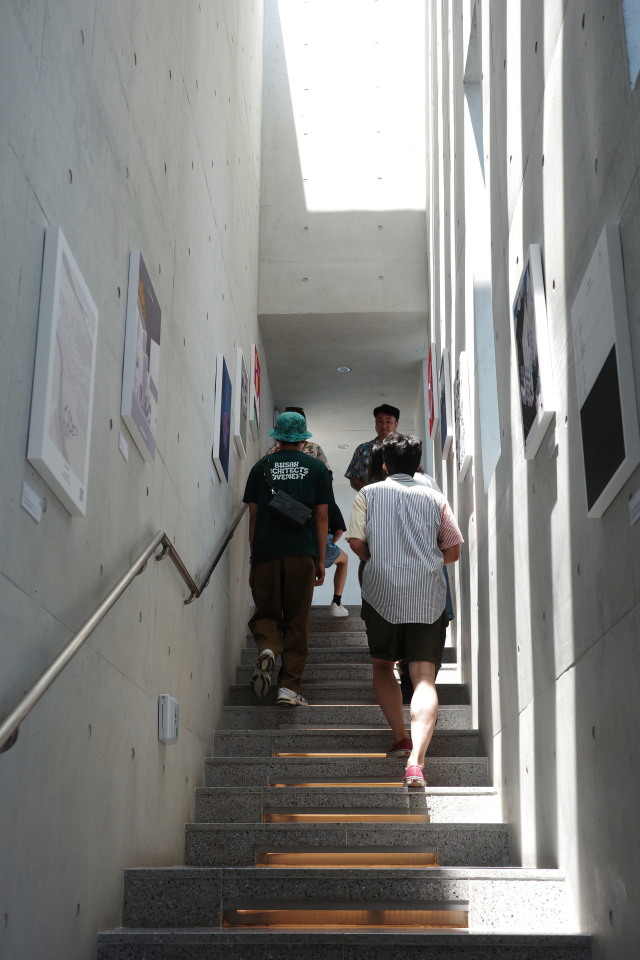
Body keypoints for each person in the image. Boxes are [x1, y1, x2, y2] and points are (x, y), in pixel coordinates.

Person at [345, 432, 464, 786]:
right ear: (417, 465)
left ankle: (401, 738)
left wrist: (379, 559)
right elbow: (453, 550)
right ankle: (416, 763)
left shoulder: (368, 494)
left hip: (381, 595)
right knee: (423, 677)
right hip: (427, 596)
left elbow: (355, 542)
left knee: (383, 665)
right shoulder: (435, 497)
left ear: (384, 465)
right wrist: (425, 562)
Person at [243, 411, 334, 706]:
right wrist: (320, 560)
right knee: (297, 620)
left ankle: (268, 647)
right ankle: (289, 688)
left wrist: (254, 560)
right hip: (302, 552)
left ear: (278, 438)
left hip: (266, 553)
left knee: (267, 612)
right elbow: (322, 517)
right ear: (303, 439)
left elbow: (253, 517)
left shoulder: (260, 467)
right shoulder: (317, 468)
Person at [345, 404, 400, 492]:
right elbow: (353, 477)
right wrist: (369, 492)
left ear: (396, 424)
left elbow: (418, 472)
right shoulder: (362, 449)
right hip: (370, 497)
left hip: (399, 497)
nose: (384, 425)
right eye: (380, 421)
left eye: (388, 422)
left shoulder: (406, 448)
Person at [266, 407, 331, 472]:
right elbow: (265, 471)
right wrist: (274, 458)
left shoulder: (314, 448)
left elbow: (326, 473)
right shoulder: (273, 449)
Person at [325, 502, 350, 617]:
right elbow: (339, 532)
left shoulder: (302, 497)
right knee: (344, 559)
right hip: (323, 546)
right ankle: (336, 602)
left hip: (300, 545)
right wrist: (331, 545)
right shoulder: (329, 503)